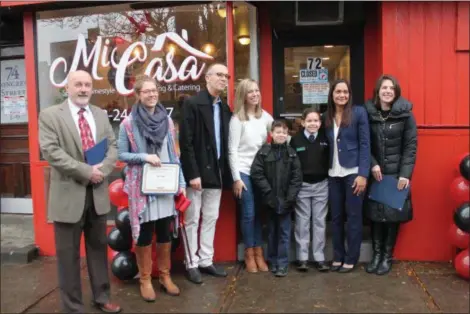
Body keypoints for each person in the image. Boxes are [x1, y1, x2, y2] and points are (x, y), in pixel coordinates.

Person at [38, 70, 121, 313]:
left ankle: (102, 297)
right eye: (78, 84)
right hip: (68, 195)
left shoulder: (100, 114)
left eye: (87, 84)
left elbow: (112, 147)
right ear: (68, 88)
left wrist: (103, 170)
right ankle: (73, 307)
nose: (83, 89)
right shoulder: (51, 115)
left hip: (97, 194)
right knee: (68, 256)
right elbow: (51, 152)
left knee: (98, 249)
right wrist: (87, 171)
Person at [118, 75, 185, 301]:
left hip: (165, 182)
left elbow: (174, 154)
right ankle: (145, 279)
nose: (152, 94)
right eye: (146, 91)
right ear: (138, 95)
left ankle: (165, 276)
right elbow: (122, 154)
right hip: (143, 187)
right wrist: (144, 156)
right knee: (145, 233)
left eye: (154, 90)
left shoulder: (166, 120)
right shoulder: (128, 123)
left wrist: (181, 182)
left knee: (165, 231)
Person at [179, 63, 233, 284]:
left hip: (217, 172)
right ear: (207, 78)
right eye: (219, 75)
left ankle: (205, 260)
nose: (224, 79)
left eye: (226, 76)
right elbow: (186, 142)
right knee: (192, 219)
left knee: (211, 217)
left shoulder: (225, 107)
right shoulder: (192, 104)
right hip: (198, 174)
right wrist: (192, 173)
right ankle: (191, 262)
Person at [364, 75, 417, 275]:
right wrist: (373, 164)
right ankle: (376, 255)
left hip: (396, 175)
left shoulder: (406, 115)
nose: (387, 91)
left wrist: (405, 174)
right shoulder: (368, 113)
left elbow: (410, 146)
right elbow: (364, 144)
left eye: (391, 88)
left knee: (392, 216)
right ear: (377, 91)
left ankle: (387, 257)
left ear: (396, 92)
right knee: (376, 216)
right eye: (384, 88)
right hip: (376, 175)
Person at [324, 79, 370, 273]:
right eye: (338, 92)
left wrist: (363, 174)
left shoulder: (358, 113)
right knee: (335, 217)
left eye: (345, 92)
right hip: (333, 173)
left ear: (349, 94)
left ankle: (351, 257)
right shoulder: (326, 116)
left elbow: (365, 144)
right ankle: (338, 256)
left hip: (353, 172)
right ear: (332, 94)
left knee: (353, 216)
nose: (342, 95)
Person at [228, 78, 273, 273]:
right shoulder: (238, 119)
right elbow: (232, 150)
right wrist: (236, 178)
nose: (255, 94)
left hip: (260, 172)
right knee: (248, 212)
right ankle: (249, 252)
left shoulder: (265, 117)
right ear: (243, 96)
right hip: (243, 171)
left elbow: (281, 134)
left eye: (256, 90)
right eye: (250, 92)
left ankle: (258, 252)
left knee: (259, 214)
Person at [250, 120, 302, 277]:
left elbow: (296, 177)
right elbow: (256, 173)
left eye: (284, 133)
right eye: (278, 132)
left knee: (285, 233)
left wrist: (290, 198)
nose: (281, 135)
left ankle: (282, 264)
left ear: (288, 135)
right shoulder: (264, 152)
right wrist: (268, 193)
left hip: (286, 201)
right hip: (270, 201)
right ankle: (272, 261)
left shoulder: (292, 154)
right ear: (271, 134)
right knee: (272, 232)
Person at [289, 107, 330, 272]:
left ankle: (319, 257)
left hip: (321, 185)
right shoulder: (296, 141)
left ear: (320, 123)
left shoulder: (325, 139)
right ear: (303, 122)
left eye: (316, 121)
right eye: (309, 121)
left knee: (319, 221)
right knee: (302, 222)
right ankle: (302, 257)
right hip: (303, 186)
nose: (313, 124)